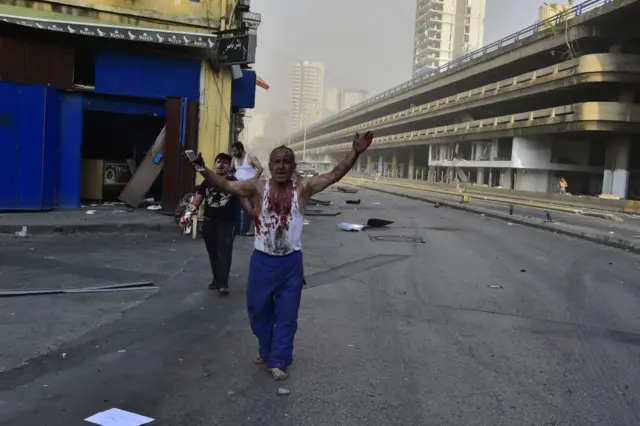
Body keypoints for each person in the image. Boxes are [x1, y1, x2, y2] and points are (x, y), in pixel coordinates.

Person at [184, 131, 374, 381]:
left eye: (287, 161)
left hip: (290, 265)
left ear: (294, 166)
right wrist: (201, 167)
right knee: (257, 312)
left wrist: (356, 152)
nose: (281, 166)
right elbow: (225, 185)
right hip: (262, 262)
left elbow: (334, 173)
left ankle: (279, 359)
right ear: (270, 165)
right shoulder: (257, 186)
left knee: (286, 315)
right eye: (277, 161)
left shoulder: (304, 188)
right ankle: (267, 349)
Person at [189, 153, 252, 295]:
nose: (221, 165)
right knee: (213, 253)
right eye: (218, 162)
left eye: (225, 162)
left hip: (227, 224)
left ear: (229, 166)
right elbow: (197, 200)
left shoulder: (234, 183)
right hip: (209, 223)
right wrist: (188, 215)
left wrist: (254, 214)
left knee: (224, 253)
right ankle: (216, 279)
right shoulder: (206, 182)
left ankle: (223, 284)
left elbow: (244, 200)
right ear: (214, 164)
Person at [230, 142, 264, 236]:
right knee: (237, 207)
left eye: (235, 151)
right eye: (232, 151)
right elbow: (231, 170)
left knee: (251, 208)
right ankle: (238, 228)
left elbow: (260, 168)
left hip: (249, 188)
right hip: (238, 188)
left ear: (241, 149)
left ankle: (254, 229)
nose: (233, 153)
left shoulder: (250, 157)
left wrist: (254, 180)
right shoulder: (234, 159)